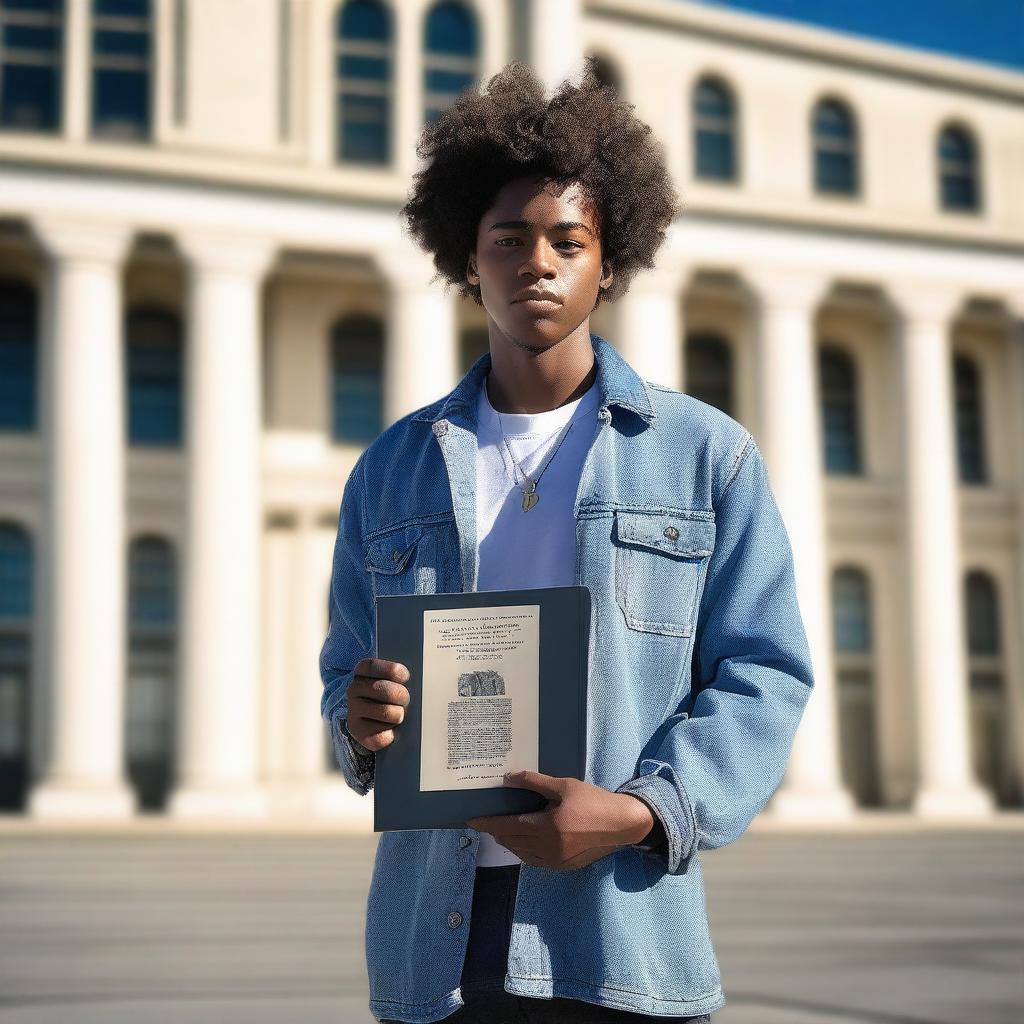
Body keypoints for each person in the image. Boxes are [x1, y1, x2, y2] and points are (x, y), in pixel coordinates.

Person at [320, 59, 814, 1024]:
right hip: (436, 946)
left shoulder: (705, 456)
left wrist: (636, 814)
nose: (536, 261)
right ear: (469, 261)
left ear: (610, 263)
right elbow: (346, 674)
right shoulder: (389, 469)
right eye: (507, 238)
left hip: (620, 934)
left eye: (567, 240)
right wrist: (359, 715)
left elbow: (764, 674)